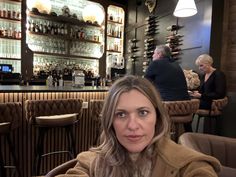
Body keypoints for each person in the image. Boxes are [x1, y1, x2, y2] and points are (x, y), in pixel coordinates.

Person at [55, 75, 220, 177]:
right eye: (121, 114)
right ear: (110, 122)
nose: (132, 126)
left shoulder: (188, 165)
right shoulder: (91, 162)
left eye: (142, 113)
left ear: (157, 117)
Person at [144, 45, 192, 132]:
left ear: (159, 54)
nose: (152, 56)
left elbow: (144, 84)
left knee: (144, 107)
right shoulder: (176, 64)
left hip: (167, 106)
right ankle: (186, 137)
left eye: (154, 53)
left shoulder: (156, 63)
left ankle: (152, 137)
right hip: (185, 106)